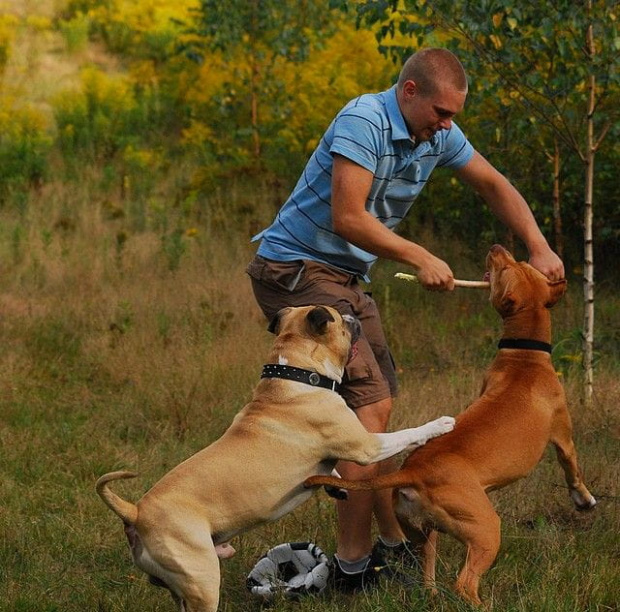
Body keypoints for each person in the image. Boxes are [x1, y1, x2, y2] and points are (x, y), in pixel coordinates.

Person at [246, 47, 564, 592]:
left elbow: (493, 184)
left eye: (455, 116)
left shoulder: (437, 134)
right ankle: (354, 566)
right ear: (409, 92)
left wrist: (537, 245)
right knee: (368, 410)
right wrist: (419, 256)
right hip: (296, 269)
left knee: (380, 404)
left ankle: (389, 544)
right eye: (442, 112)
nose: (447, 126)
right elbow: (348, 216)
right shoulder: (364, 121)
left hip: (344, 276)